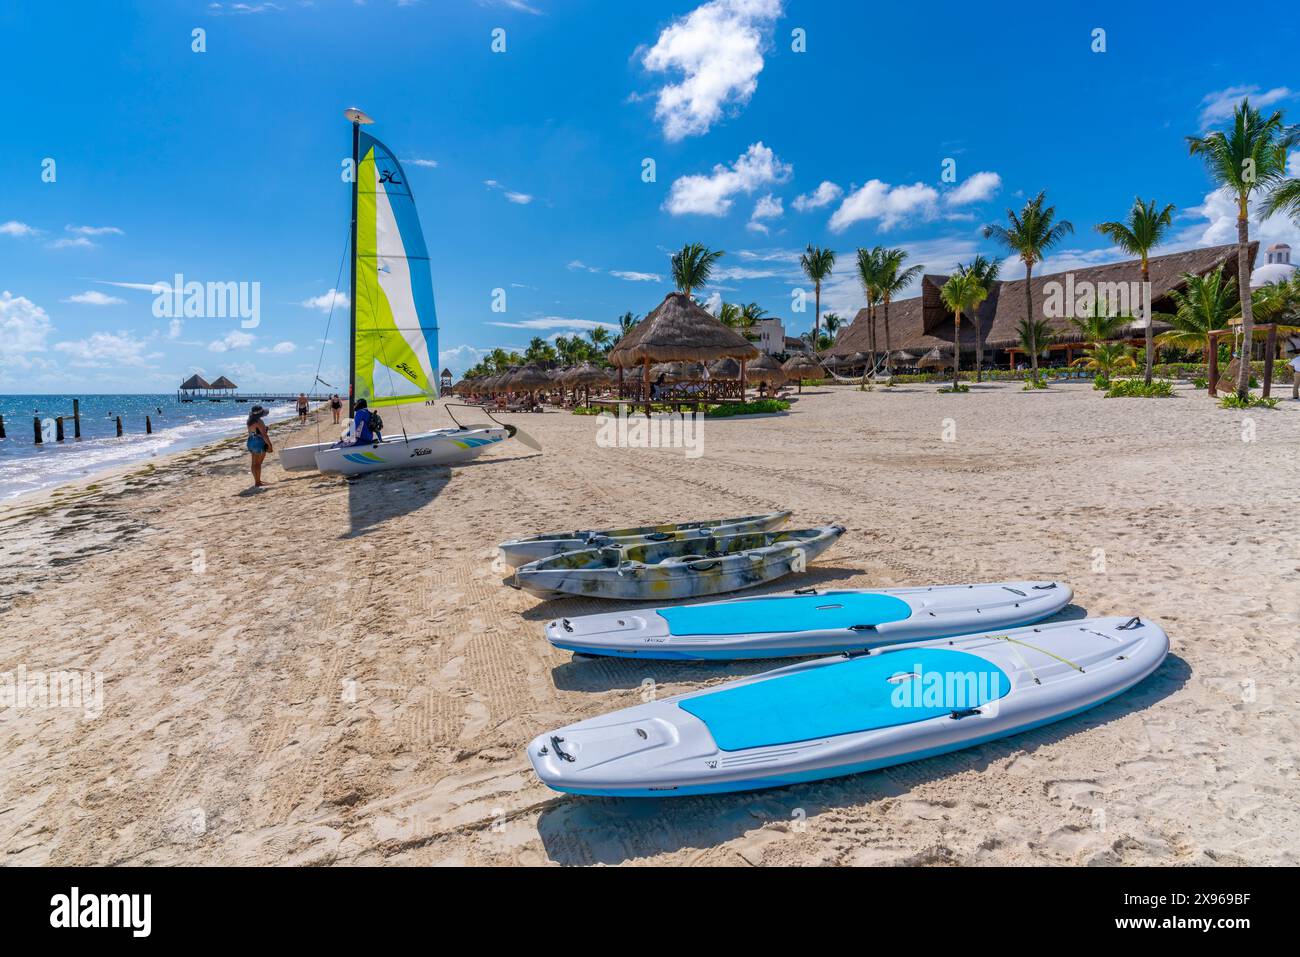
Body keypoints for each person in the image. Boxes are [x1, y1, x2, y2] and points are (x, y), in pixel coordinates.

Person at [246, 406, 273, 487]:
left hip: (251, 441)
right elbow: (264, 435)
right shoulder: (258, 421)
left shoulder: (249, 420)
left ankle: (257, 480)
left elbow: (254, 431)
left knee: (254, 463)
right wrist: (270, 445)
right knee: (258, 463)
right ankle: (258, 483)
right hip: (258, 442)